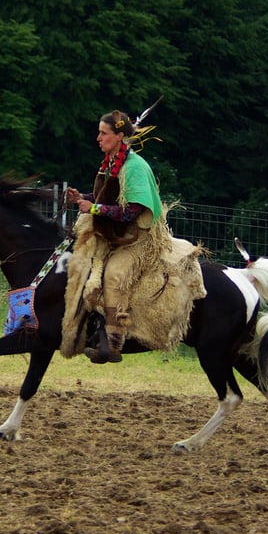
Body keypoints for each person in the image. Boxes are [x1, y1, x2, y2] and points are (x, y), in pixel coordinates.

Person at [65, 109, 165, 364]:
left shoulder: (135, 167)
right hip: (115, 235)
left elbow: (132, 211)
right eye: (99, 133)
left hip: (139, 238)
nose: (98, 138)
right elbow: (107, 199)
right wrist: (84, 199)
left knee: (114, 274)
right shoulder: (111, 161)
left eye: (103, 133)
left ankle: (114, 341)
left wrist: (95, 208)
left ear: (120, 136)